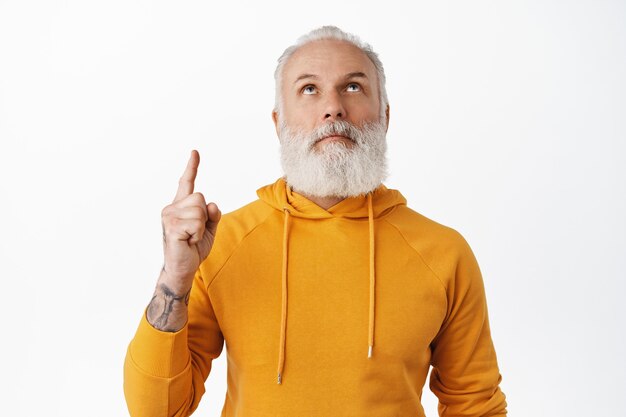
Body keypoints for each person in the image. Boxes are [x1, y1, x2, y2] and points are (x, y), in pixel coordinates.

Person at [123, 25, 508, 417]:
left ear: (385, 116)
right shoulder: (223, 242)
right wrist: (174, 278)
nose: (333, 108)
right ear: (278, 122)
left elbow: (475, 406)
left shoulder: (444, 253)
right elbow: (157, 411)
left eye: (354, 87)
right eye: (309, 89)